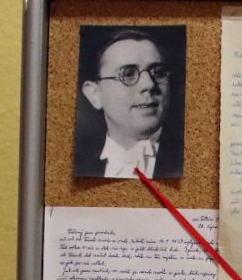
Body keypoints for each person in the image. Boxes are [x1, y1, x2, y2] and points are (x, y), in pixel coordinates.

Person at [75, 28, 183, 178]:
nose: (149, 84)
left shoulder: (191, 159)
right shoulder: (78, 167)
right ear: (95, 95)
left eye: (158, 72)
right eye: (128, 74)